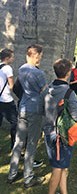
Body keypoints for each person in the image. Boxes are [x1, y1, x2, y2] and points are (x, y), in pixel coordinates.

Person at [7, 44, 47, 188]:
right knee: (31, 144)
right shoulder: (39, 74)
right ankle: (28, 178)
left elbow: (19, 88)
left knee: (18, 142)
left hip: (22, 108)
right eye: (40, 56)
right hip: (35, 111)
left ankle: (12, 174)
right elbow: (45, 93)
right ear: (36, 56)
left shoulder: (21, 69)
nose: (40, 59)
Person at [43, 58, 77, 194]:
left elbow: (42, 108)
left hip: (48, 130)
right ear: (68, 73)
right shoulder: (69, 93)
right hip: (62, 135)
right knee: (58, 168)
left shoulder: (47, 88)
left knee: (62, 165)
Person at [0, 48, 18, 150]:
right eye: (12, 57)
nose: (12, 59)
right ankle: (14, 146)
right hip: (6, 100)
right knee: (15, 123)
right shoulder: (8, 68)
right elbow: (11, 85)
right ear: (7, 58)